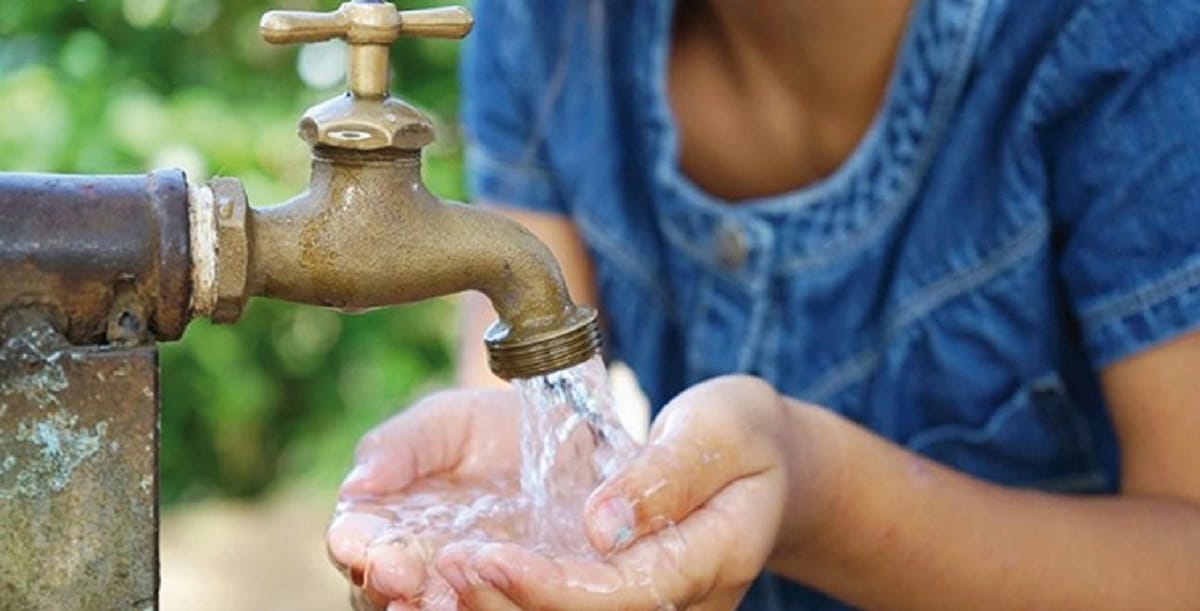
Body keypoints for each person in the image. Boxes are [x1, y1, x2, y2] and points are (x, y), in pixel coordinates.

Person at [328, 0, 1200, 608]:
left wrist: (819, 494)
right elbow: (530, 392)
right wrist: (489, 534)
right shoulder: (547, 22)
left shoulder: (1123, 37)